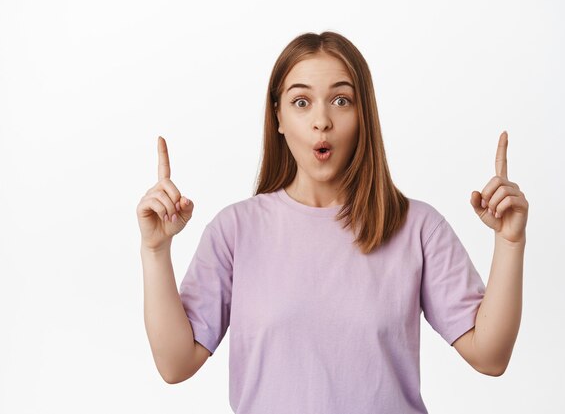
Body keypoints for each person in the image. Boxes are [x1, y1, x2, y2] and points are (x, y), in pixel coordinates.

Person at [137, 31, 528, 414]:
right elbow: (176, 364)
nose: (321, 120)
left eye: (341, 100)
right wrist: (155, 251)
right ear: (278, 117)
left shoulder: (417, 227)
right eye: (301, 102)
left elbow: (490, 356)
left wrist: (510, 243)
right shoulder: (235, 231)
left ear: (363, 115)